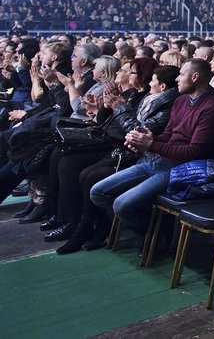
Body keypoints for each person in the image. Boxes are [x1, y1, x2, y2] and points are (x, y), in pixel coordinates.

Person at [88, 59, 214, 235]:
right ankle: (154, 230)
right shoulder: (181, 101)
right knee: (97, 192)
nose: (177, 79)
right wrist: (144, 139)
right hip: (161, 161)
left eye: (182, 74)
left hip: (183, 170)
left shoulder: (211, 109)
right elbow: (167, 136)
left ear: (195, 77)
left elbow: (193, 153)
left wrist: (151, 144)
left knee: (121, 205)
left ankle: (156, 238)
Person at [57, 65, 180, 254]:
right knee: (68, 163)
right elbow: (112, 125)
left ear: (162, 86)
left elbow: (136, 129)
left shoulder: (163, 102)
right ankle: (74, 222)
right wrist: (105, 107)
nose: (150, 82)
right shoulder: (145, 98)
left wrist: (121, 109)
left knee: (90, 176)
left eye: (130, 71)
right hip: (129, 148)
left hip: (140, 154)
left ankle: (96, 228)